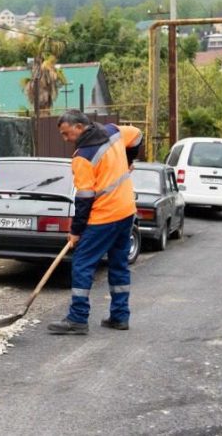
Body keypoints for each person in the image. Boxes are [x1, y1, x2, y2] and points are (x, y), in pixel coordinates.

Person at [49, 110, 142, 335]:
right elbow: (138, 135)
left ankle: (78, 319)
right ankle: (120, 316)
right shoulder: (113, 132)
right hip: (126, 211)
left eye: (66, 133)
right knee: (119, 264)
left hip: (104, 216)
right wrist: (129, 161)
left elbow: (84, 198)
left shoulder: (83, 156)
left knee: (82, 264)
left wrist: (76, 231)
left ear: (79, 127)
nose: (65, 139)